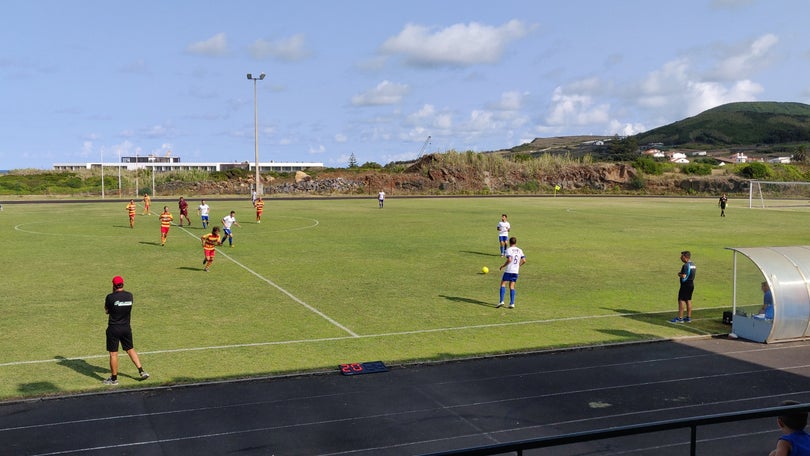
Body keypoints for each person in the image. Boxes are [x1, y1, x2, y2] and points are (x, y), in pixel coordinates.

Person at [103, 275, 149, 385]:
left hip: (114, 328)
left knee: (113, 354)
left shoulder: (110, 297)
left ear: (113, 285)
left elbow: (106, 311)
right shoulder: (130, 296)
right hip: (126, 328)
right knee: (130, 349)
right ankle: (141, 371)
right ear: (123, 284)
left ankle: (114, 379)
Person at [497, 237, 526, 309]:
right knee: (512, 286)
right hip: (515, 271)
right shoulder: (520, 250)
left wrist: (503, 266)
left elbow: (509, 259)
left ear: (510, 242)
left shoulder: (508, 250)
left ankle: (501, 301)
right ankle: (512, 303)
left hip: (509, 270)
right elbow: (524, 260)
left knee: (503, 284)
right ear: (516, 242)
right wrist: (518, 265)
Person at [670, 251, 696, 323]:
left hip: (685, 285)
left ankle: (680, 318)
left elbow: (684, 275)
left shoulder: (685, 265)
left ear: (685, 257)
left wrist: (679, 274)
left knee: (681, 300)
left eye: (681, 256)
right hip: (691, 284)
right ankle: (688, 317)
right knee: (688, 300)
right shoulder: (693, 264)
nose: (680, 258)